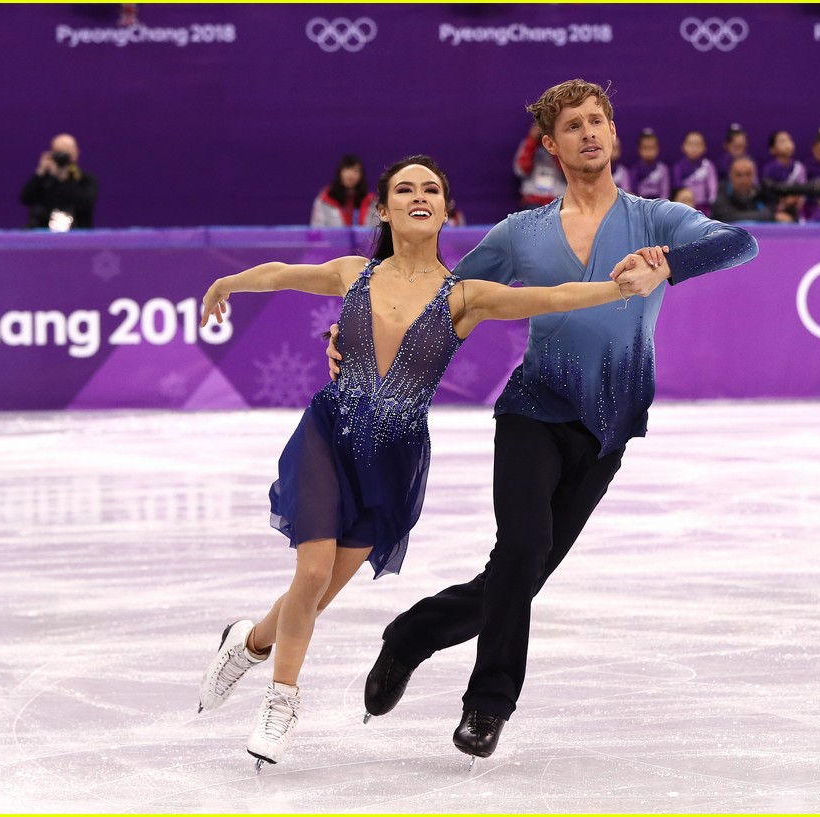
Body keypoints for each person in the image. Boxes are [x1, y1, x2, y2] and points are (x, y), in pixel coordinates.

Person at [334, 80, 759, 763]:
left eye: (599, 121)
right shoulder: (520, 234)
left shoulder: (657, 221)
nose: (589, 132)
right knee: (524, 549)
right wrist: (362, 341)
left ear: (613, 136)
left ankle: (412, 633)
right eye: (574, 125)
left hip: (608, 429)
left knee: (518, 574)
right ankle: (488, 704)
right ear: (553, 146)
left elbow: (741, 243)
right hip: (533, 411)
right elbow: (444, 304)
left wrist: (670, 268)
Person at [196, 155, 640, 770]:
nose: (418, 195)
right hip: (329, 434)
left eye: (431, 188)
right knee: (312, 572)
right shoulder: (354, 273)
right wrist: (227, 284)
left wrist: (618, 287)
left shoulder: (466, 297)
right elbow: (282, 274)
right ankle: (282, 701)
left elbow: (555, 295)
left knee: (317, 591)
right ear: (384, 209)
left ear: (446, 209)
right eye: (404, 189)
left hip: (393, 459)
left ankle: (246, 644)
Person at [19, 133, 97, 229]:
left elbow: (85, 203)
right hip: (44, 233)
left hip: (78, 233)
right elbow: (26, 198)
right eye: (59, 151)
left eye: (67, 151)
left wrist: (64, 179)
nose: (62, 156)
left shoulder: (85, 180)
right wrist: (40, 173)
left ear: (76, 153)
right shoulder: (44, 180)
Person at [712, 157, 793, 223]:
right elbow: (725, 216)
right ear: (730, 175)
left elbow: (770, 211)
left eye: (748, 174)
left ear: (754, 175)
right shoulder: (722, 190)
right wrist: (771, 217)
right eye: (738, 175)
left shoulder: (761, 192)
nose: (744, 180)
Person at [310, 154, 378, 227]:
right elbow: (317, 230)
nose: (351, 175)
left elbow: (376, 230)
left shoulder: (371, 202)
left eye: (355, 171)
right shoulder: (324, 201)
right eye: (347, 169)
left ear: (361, 175)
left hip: (364, 238)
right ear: (340, 173)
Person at [514, 122, 567, 208]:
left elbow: (569, 170)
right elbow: (521, 169)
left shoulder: (563, 147)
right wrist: (532, 141)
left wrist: (556, 144)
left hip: (558, 199)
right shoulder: (528, 145)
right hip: (533, 199)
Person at [671, 130, 718, 214]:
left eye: (697, 144)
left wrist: (711, 206)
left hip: (703, 207)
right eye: (690, 144)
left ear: (704, 147)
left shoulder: (708, 166)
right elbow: (677, 189)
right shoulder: (679, 166)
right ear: (683, 146)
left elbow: (712, 189)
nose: (694, 148)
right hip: (684, 206)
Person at [627, 128, 670, 200]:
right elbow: (631, 193)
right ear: (639, 149)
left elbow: (665, 193)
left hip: (658, 205)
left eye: (652, 147)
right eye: (645, 148)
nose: (648, 151)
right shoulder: (634, 170)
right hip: (640, 205)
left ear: (657, 149)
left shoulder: (663, 169)